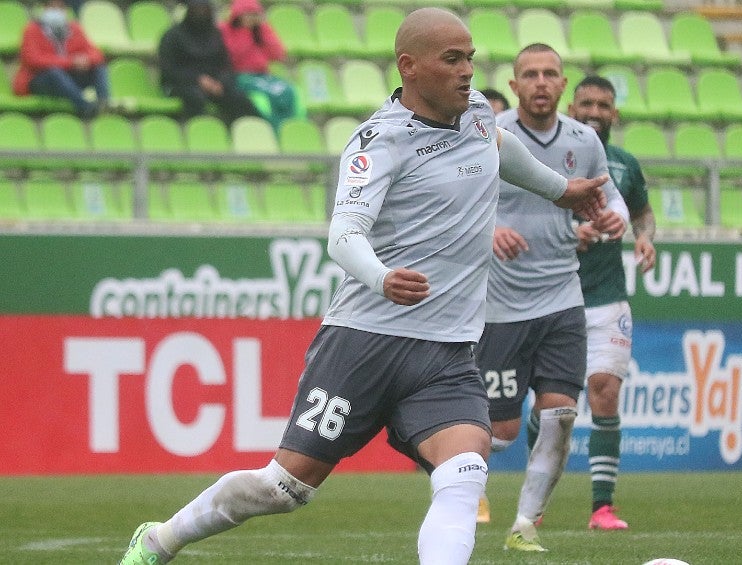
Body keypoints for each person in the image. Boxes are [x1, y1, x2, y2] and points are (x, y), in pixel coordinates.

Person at [119, 8, 607, 565]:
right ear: (410, 67)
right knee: (284, 487)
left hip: (447, 350)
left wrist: (558, 189)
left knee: (466, 470)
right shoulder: (380, 141)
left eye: (470, 58)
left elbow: (497, 145)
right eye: (452, 59)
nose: (468, 71)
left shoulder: (475, 112)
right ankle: (159, 539)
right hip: (364, 341)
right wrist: (381, 276)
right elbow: (344, 235)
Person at [475, 43, 629, 552]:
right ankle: (446, 470)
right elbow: (457, 201)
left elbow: (610, 197)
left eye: (549, 74)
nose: (540, 82)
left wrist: (612, 218)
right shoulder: (490, 136)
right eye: (530, 74)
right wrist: (490, 230)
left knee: (560, 416)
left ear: (563, 84)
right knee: (499, 433)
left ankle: (524, 524)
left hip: (562, 297)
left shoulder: (584, 141)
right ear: (514, 85)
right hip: (501, 305)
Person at [567, 75, 657, 531]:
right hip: (552, 295)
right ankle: (533, 504)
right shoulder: (549, 157)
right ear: (571, 108)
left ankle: (602, 507)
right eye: (586, 103)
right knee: (552, 406)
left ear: (615, 114)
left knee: (604, 390)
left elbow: (642, 212)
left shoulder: (623, 165)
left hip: (607, 296)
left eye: (603, 105)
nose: (594, 113)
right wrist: (568, 233)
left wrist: (645, 238)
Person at [158, 0, 260, 125]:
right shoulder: (173, 36)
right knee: (195, 98)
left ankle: (236, 131)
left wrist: (219, 81)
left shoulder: (215, 34)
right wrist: (198, 79)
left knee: (239, 98)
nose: (201, 13)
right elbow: (169, 70)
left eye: (204, 10)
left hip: (214, 83)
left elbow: (225, 64)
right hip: (182, 83)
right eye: (197, 10)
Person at [13, 0, 109, 118]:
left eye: (60, 7)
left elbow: (96, 54)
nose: (56, 10)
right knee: (54, 72)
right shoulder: (32, 30)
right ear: (44, 8)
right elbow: (33, 59)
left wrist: (85, 60)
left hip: (68, 79)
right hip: (39, 81)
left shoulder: (74, 28)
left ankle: (104, 104)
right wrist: (70, 62)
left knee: (98, 67)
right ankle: (85, 107)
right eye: (52, 7)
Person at [219, 0, 303, 132]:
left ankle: (293, 127)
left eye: (255, 14)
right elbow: (234, 55)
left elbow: (278, 54)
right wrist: (246, 32)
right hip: (241, 76)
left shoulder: (261, 30)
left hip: (263, 75)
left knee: (287, 91)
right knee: (270, 96)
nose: (252, 18)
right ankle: (277, 128)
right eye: (248, 14)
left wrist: (263, 31)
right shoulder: (226, 30)